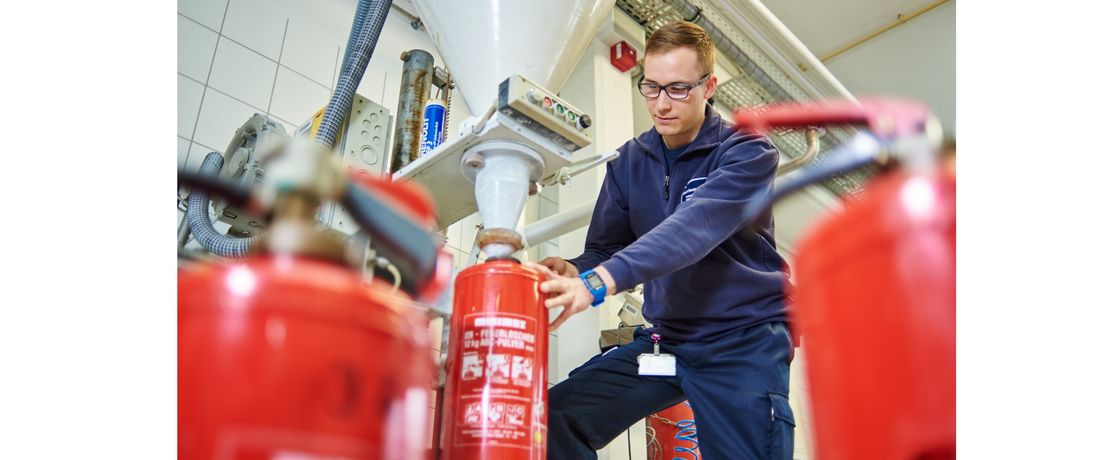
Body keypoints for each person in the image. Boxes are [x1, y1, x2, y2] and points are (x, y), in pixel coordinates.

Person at [526, 21, 796, 459]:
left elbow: (694, 229)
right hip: (667, 341)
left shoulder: (747, 151)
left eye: (678, 89)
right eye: (650, 88)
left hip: (742, 341)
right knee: (555, 416)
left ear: (709, 86)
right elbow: (604, 248)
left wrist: (597, 285)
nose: (661, 104)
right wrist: (576, 269)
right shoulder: (630, 161)